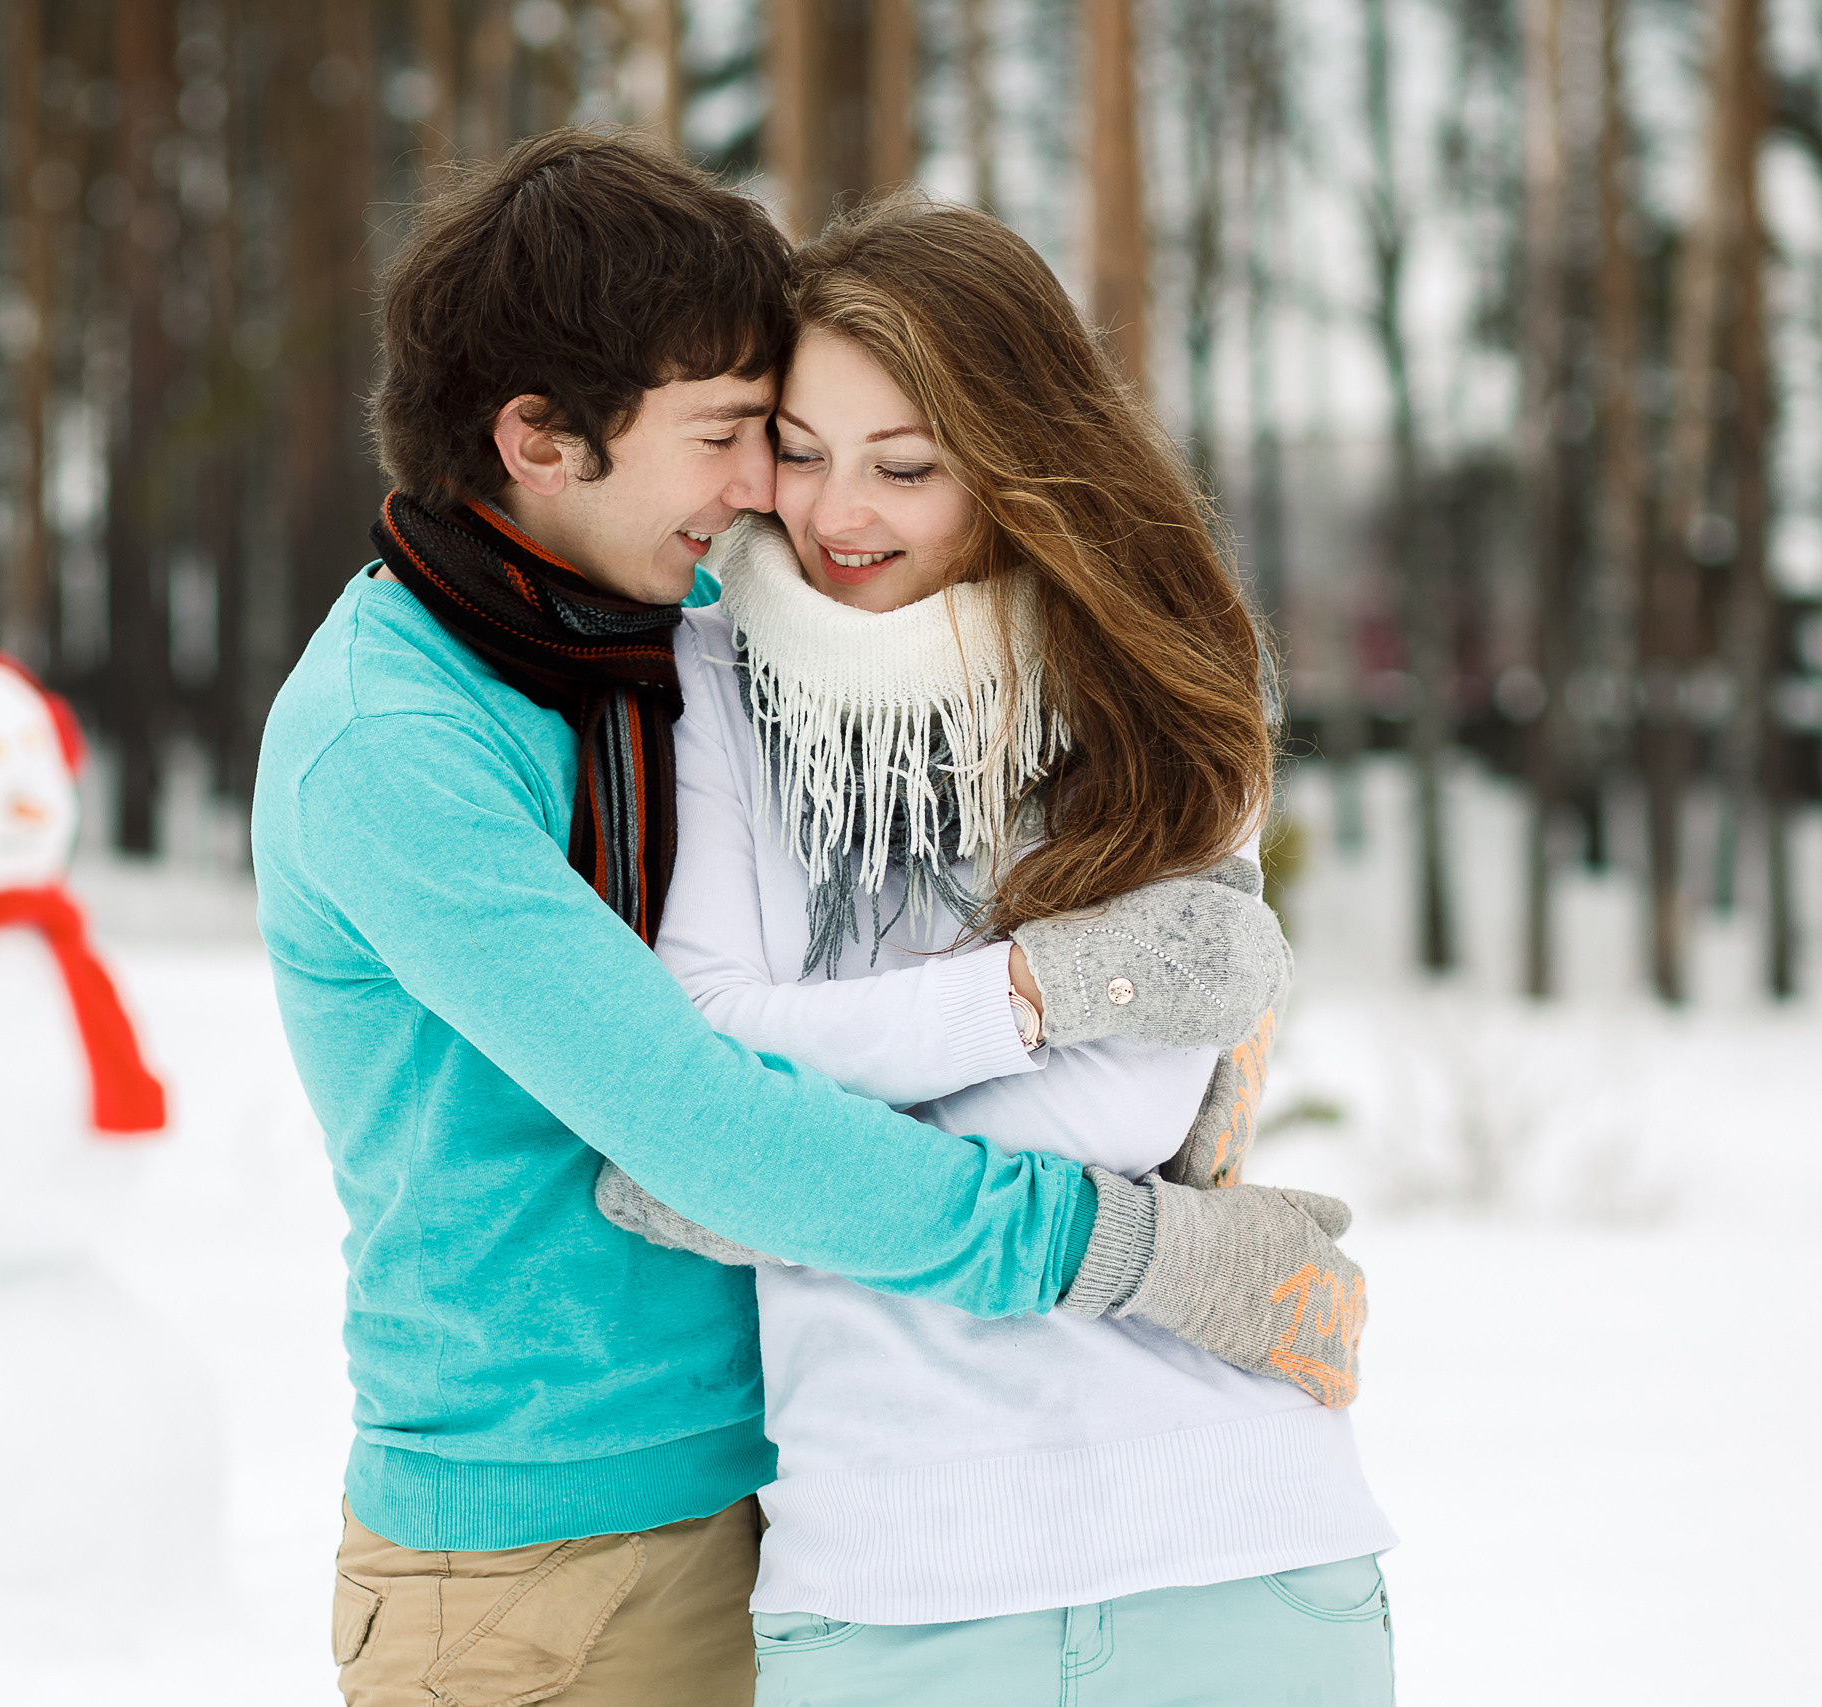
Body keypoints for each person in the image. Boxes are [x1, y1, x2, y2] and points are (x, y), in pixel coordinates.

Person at [251, 130, 1364, 1707]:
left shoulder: (681, 620)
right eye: (735, 435)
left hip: (791, 1499)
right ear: (542, 439)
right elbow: (699, 1121)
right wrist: (1133, 1242)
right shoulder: (397, 743)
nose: (769, 495)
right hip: (552, 1553)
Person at [598, 196, 1396, 1705]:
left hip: (1236, 1555)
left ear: (1021, 456)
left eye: (907, 466)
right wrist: (1042, 995)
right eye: (805, 450)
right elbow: (698, 1035)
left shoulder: (1157, 687)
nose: (842, 517)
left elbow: (1125, 1111)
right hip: (893, 1590)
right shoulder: (709, 678)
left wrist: (760, 1171)